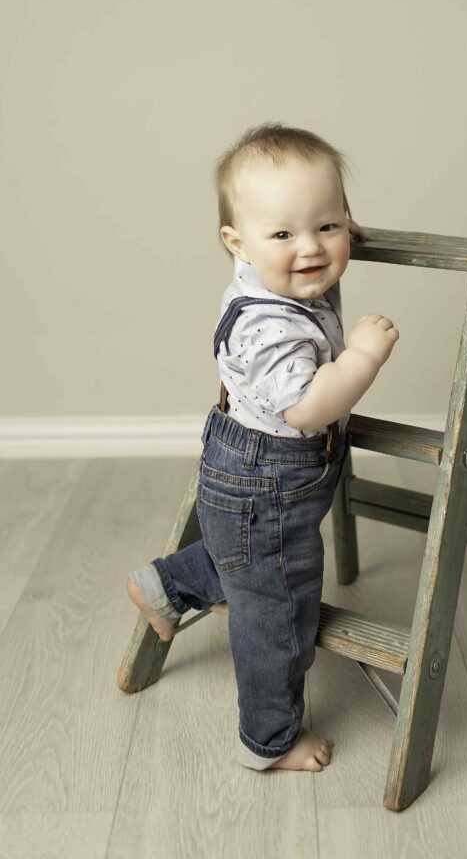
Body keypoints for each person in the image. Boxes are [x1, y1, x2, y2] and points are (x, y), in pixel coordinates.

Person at [126, 123, 399, 773]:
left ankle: (165, 585)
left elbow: (307, 245)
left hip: (261, 471)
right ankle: (269, 741)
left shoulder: (277, 273)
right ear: (237, 244)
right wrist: (362, 355)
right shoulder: (267, 325)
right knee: (276, 608)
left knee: (249, 562)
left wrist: (325, 235)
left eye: (328, 226)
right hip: (267, 473)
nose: (309, 248)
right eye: (283, 234)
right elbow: (308, 405)